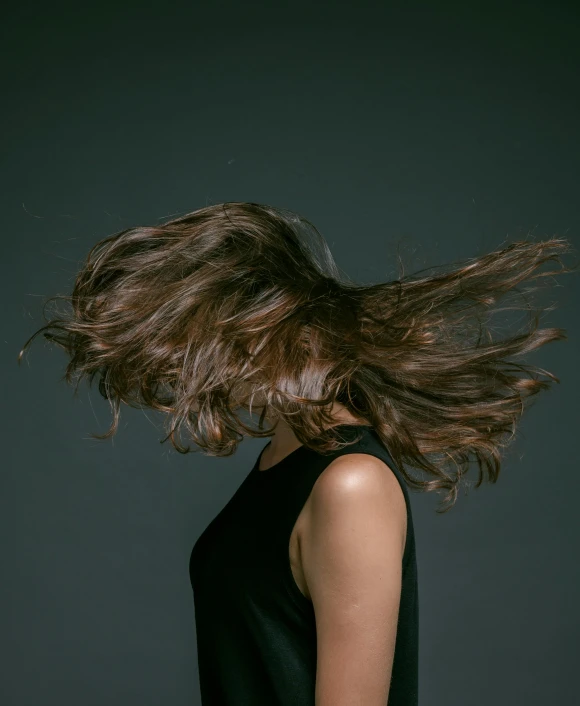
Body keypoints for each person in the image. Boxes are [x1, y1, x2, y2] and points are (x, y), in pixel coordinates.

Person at [18, 201, 575, 705]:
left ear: (264, 323)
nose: (186, 373)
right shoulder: (287, 452)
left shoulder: (349, 482)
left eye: (200, 344)